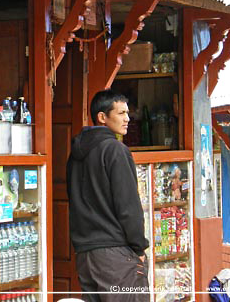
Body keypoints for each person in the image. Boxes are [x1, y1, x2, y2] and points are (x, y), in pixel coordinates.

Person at [66, 89, 149, 302]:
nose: (127, 119)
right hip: (115, 255)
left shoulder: (75, 155)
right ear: (102, 117)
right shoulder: (115, 150)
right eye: (121, 113)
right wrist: (139, 247)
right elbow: (128, 206)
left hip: (85, 254)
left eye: (127, 113)